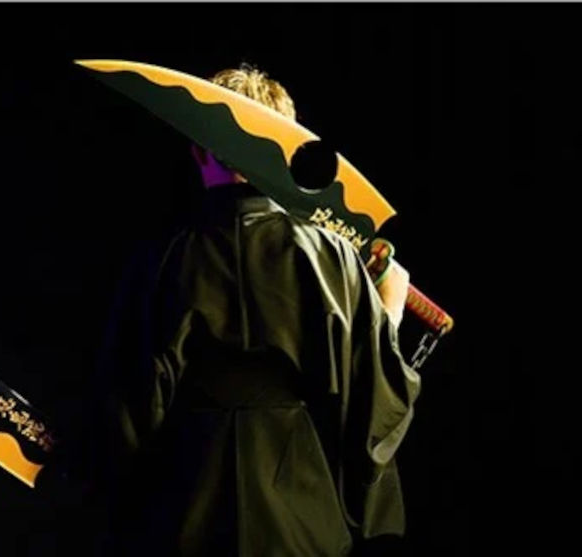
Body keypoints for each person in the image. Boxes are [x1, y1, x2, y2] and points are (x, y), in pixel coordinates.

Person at [89, 64, 421, 556]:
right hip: (300, 503)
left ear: (199, 150)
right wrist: (389, 308)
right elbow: (373, 395)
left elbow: (126, 410)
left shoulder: (164, 257)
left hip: (187, 504)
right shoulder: (331, 254)